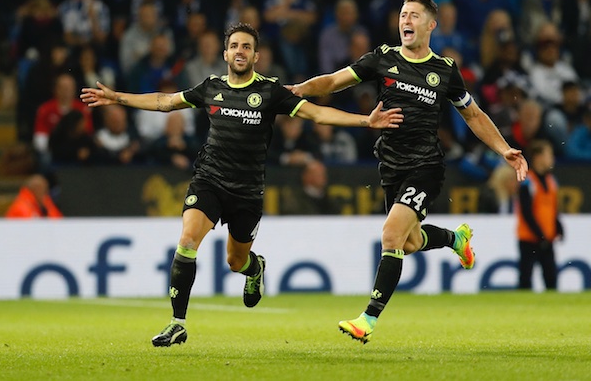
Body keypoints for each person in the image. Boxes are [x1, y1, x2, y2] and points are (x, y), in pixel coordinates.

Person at [80, 22, 403, 347]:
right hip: (209, 180)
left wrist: (366, 121)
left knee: (236, 261)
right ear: (225, 53)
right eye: (235, 45)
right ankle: (177, 323)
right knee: (188, 239)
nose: (240, 51)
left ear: (256, 55)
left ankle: (254, 269)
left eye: (246, 46)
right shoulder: (211, 87)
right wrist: (117, 97)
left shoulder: (270, 91)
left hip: (247, 192)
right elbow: (166, 101)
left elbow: (316, 114)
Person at [287, 0, 528, 344]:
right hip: (391, 166)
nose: (405, 21)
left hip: (426, 166)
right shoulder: (382, 59)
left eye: (414, 15)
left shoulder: (444, 70)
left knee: (390, 235)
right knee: (410, 242)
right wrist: (299, 89)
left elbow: (473, 115)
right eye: (403, 14)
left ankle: (368, 319)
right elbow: (335, 81)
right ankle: (455, 238)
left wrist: (503, 148)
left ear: (431, 25)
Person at [516, 139, 564, 290]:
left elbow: (553, 210)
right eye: (549, 154)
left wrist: (558, 227)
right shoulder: (527, 182)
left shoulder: (551, 181)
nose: (552, 159)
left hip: (546, 238)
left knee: (551, 277)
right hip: (529, 238)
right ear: (538, 157)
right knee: (526, 278)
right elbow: (526, 212)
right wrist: (539, 234)